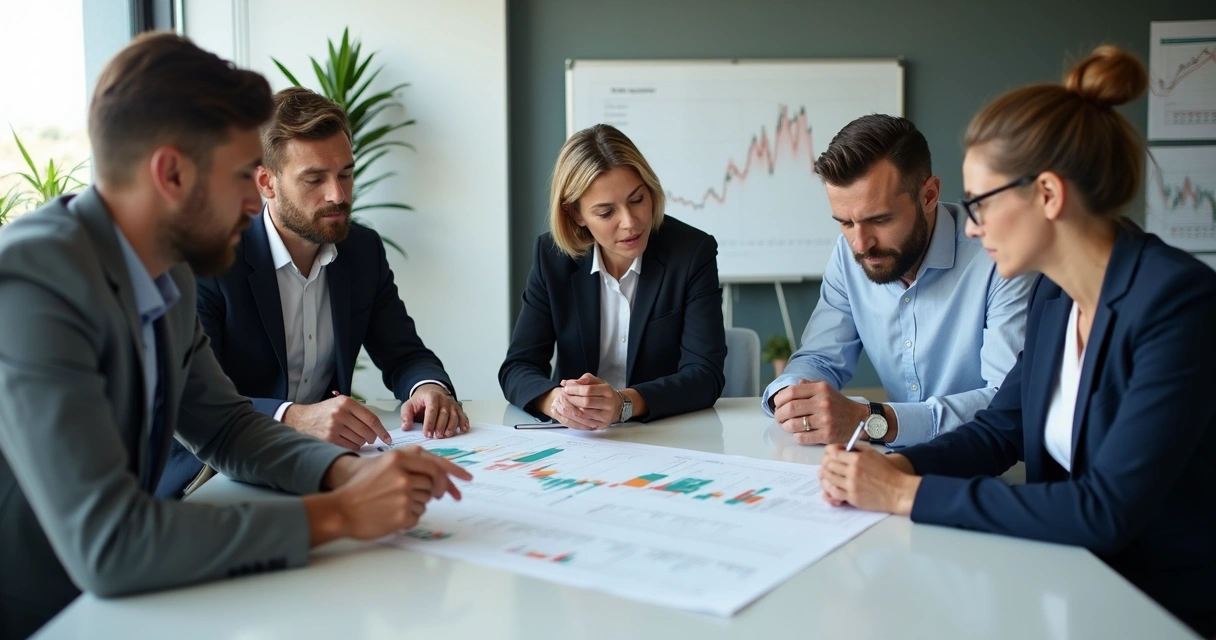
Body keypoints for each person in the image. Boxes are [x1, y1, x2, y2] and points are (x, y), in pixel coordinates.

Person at [0, 33, 470, 639]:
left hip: (143, 595)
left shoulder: (165, 266)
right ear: (170, 173)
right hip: (46, 610)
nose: (256, 202)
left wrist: (343, 473)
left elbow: (223, 425)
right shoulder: (33, 281)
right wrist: (337, 514)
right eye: (239, 176)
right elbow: (109, 545)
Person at [818, 46, 1216, 637]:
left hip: (1158, 609)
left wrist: (906, 493)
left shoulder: (1178, 304)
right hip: (1067, 584)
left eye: (980, 204)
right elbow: (1000, 430)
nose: (971, 227)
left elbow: (1102, 510)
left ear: (1049, 196)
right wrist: (894, 462)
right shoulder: (1058, 298)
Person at [156, 88, 467, 499]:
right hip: (210, 472)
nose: (337, 195)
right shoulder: (212, 259)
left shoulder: (362, 251)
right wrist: (292, 417)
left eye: (345, 174)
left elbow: (405, 353)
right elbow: (194, 397)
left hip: (315, 467)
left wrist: (428, 388)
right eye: (314, 179)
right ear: (266, 182)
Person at [762, 114, 1033, 447]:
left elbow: (1006, 402)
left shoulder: (999, 257)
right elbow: (819, 358)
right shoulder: (848, 255)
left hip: (993, 473)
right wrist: (789, 395)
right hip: (893, 466)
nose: (860, 244)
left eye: (880, 220)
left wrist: (875, 421)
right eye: (845, 223)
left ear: (929, 195)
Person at [499, 124, 726, 429]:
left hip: (663, 432)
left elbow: (705, 376)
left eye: (637, 200)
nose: (630, 223)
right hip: (578, 439)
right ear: (576, 214)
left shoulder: (691, 253)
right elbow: (518, 367)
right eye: (606, 213)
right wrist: (558, 403)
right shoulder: (552, 257)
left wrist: (624, 404)